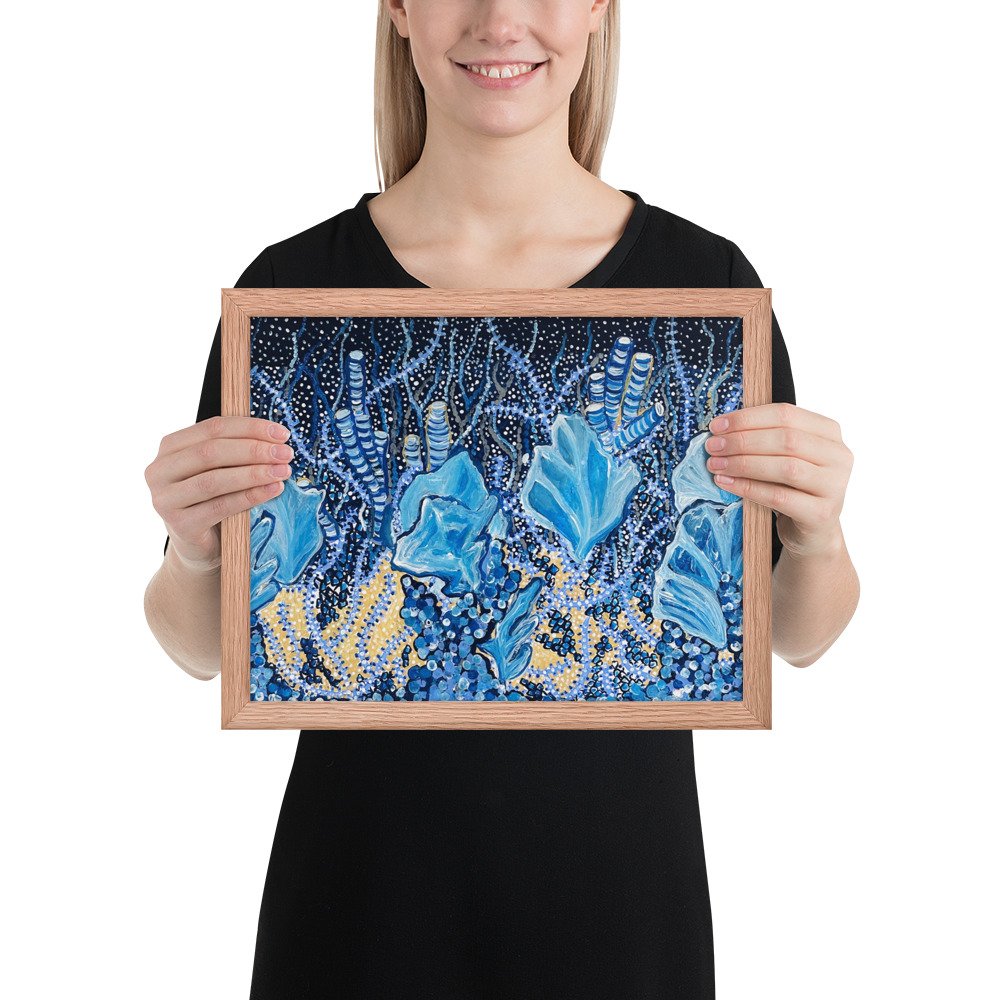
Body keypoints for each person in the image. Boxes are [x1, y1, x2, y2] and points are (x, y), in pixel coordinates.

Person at [144, 1, 860, 996]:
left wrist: (818, 537)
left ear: (599, 8)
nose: (500, 18)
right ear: (399, 9)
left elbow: (795, 636)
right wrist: (192, 548)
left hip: (619, 921)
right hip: (359, 917)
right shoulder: (291, 292)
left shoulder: (705, 288)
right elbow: (201, 648)